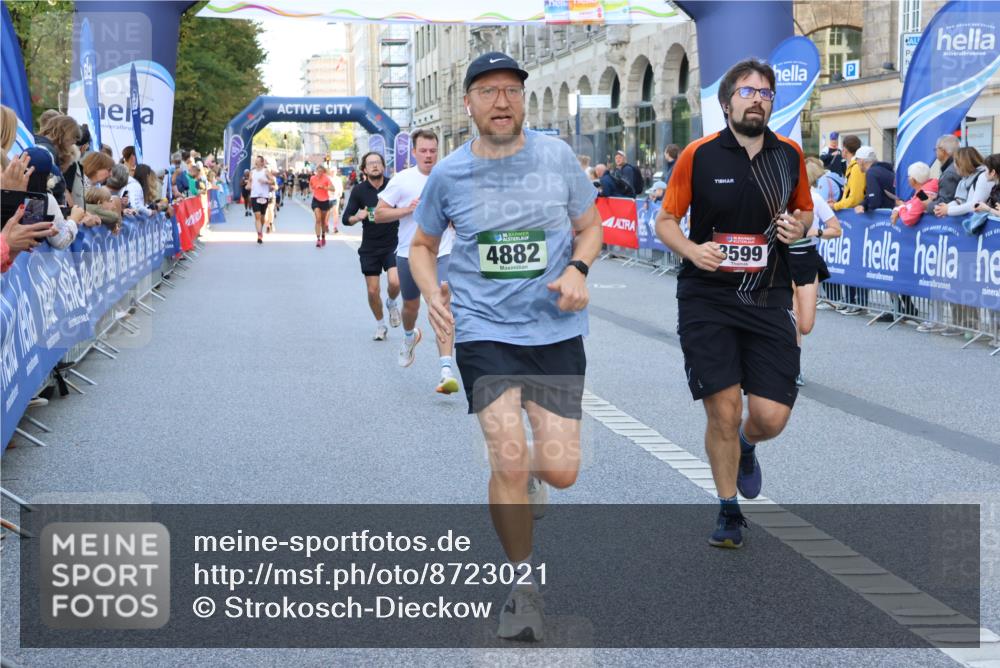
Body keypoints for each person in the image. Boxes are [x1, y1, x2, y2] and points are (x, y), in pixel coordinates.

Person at [409, 51, 603, 642]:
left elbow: (590, 226)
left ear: (523, 98)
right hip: (484, 332)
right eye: (488, 91)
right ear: (466, 103)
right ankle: (523, 589)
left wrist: (578, 269)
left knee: (562, 471)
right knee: (508, 459)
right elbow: (422, 245)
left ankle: (537, 481)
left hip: (554, 332)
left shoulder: (557, 157)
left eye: (511, 90)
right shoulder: (448, 175)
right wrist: (432, 296)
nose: (501, 101)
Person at [655, 57, 810, 550]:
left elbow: (805, 210)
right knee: (722, 410)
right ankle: (728, 510)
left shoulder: (789, 155)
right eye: (747, 91)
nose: (757, 100)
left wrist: (798, 226)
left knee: (769, 417)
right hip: (708, 298)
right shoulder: (698, 155)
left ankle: (748, 446)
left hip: (768, 295)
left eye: (765, 93)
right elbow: (665, 221)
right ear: (727, 103)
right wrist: (693, 250)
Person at [374, 129, 458, 392]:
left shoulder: (448, 178)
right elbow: (379, 215)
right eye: (423, 150)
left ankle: (446, 370)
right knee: (410, 307)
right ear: (413, 152)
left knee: (443, 306)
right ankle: (410, 337)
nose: (428, 155)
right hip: (408, 253)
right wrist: (408, 210)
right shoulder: (402, 180)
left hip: (443, 252)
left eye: (433, 150)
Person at [790, 159, 842, 385]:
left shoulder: (815, 198)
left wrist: (816, 231)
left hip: (807, 261)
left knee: (805, 324)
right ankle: (793, 368)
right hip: (782, 261)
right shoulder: (778, 198)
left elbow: (836, 229)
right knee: (789, 320)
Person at [342, 151, 402, 340]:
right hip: (370, 246)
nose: (375, 166)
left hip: (393, 243)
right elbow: (345, 219)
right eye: (371, 163)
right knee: (372, 290)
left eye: (378, 162)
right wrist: (356, 217)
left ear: (384, 166)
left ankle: (392, 302)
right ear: (364, 169)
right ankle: (380, 325)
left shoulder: (394, 185)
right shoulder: (359, 191)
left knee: (395, 281)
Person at [249, 155, 274, 244]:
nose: (256, 162)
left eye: (258, 161)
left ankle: (260, 229)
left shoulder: (266, 171)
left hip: (264, 196)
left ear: (262, 162)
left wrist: (266, 181)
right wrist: (248, 185)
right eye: (256, 160)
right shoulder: (252, 172)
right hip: (254, 196)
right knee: (257, 216)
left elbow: (272, 181)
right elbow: (249, 182)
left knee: (262, 217)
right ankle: (259, 234)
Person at [932, 134, 962, 205]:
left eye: (936, 149)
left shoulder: (949, 173)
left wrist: (928, 204)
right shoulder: (958, 165)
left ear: (943, 151)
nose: (935, 152)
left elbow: (944, 203)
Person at [309, 165, 335, 247]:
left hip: (325, 201)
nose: (319, 173)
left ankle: (323, 236)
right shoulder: (312, 178)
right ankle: (318, 239)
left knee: (323, 221)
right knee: (318, 219)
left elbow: (333, 189)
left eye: (321, 171)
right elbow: (310, 185)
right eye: (318, 171)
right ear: (316, 171)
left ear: (323, 172)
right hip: (316, 200)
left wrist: (324, 187)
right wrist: (311, 189)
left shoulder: (326, 178)